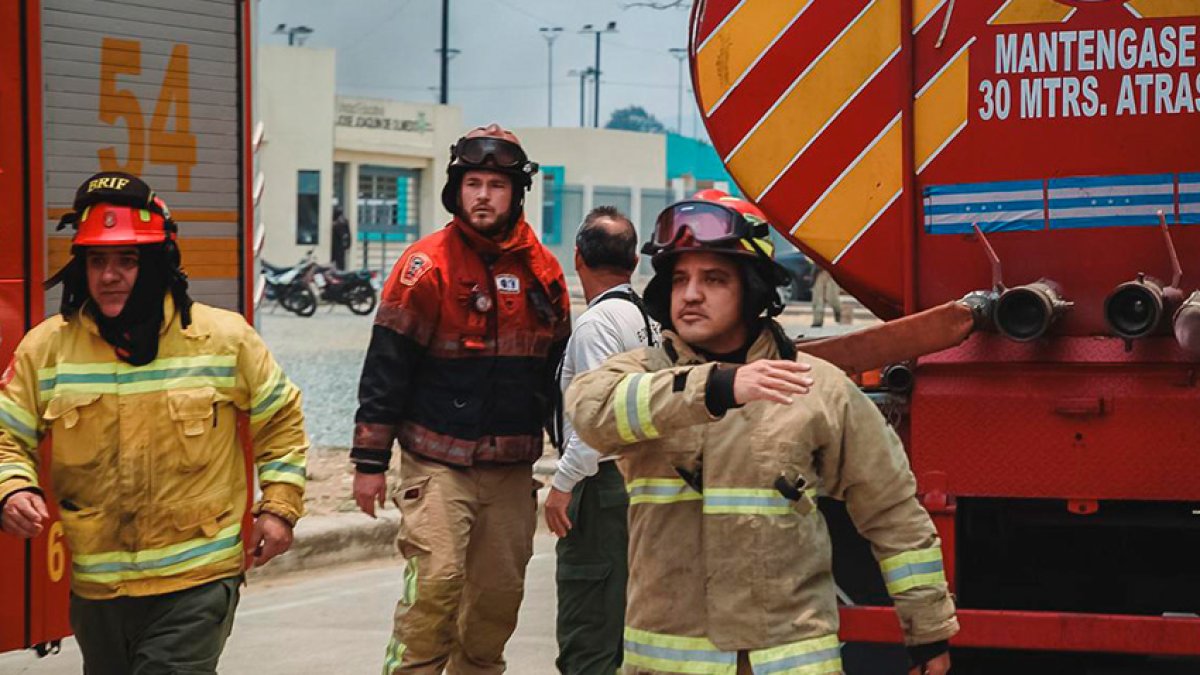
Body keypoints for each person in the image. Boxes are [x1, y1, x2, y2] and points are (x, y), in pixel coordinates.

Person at [566, 191, 958, 675]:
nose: (690, 294)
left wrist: (928, 632)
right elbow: (587, 411)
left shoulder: (817, 388)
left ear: (751, 289)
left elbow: (892, 511)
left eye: (713, 279)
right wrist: (717, 386)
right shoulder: (638, 376)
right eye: (680, 278)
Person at [0, 172, 308, 674]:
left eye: (128, 260)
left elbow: (281, 420)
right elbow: (5, 434)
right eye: (97, 261)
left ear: (158, 265)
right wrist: (11, 488)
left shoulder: (223, 339)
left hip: (196, 584)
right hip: (99, 589)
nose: (109, 275)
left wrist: (278, 507)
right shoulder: (46, 349)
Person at [350, 124, 571, 675]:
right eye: (473, 183)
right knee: (437, 584)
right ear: (457, 189)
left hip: (511, 467)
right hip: (437, 461)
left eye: (496, 186)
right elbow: (385, 368)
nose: (482, 196)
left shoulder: (544, 273)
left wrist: (574, 466)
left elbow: (562, 381)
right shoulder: (424, 267)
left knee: (497, 602)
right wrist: (369, 464)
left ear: (515, 194)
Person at [546, 206, 658, 675]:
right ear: (633, 263)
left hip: (602, 489)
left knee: (589, 628)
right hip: (638, 483)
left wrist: (562, 484)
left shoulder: (596, 325)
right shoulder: (644, 318)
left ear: (577, 258)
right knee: (624, 625)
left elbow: (597, 421)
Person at [332, 206, 351, 270]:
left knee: (337, 263)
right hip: (340, 246)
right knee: (340, 262)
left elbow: (345, 235)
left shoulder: (339, 223)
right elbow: (347, 235)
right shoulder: (344, 221)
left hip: (337, 245)